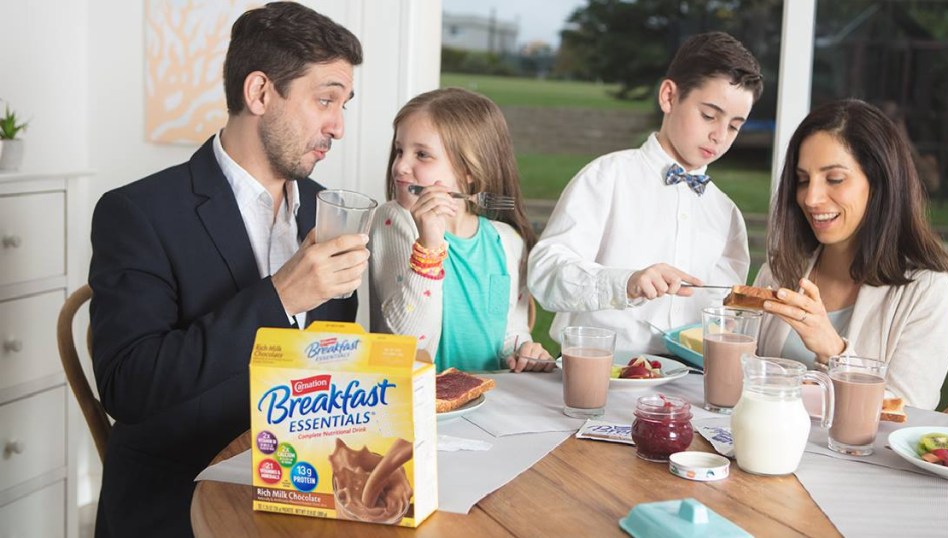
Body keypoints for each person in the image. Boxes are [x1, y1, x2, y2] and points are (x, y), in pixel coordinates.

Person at [88, 3, 367, 535]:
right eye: (326, 100)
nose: (338, 126)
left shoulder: (325, 207)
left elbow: (333, 360)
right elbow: (128, 384)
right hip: (181, 498)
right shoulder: (137, 212)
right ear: (260, 93)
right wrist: (280, 297)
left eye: (344, 104)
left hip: (308, 491)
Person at [528, 32, 763, 354]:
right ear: (669, 96)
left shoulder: (726, 214)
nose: (719, 135)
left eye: (735, 125)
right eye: (709, 115)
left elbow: (722, 310)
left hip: (690, 384)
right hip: (598, 373)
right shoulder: (606, 177)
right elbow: (545, 272)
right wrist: (627, 282)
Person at [755, 98, 948, 410]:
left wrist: (834, 352)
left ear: (878, 183)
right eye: (803, 180)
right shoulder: (781, 270)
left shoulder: (927, 289)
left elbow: (910, 411)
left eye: (834, 179)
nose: (811, 198)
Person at [369, 88, 552, 372]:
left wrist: (525, 351)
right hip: (417, 405)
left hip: (488, 402)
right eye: (399, 151)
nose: (401, 166)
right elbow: (408, 345)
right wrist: (428, 248)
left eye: (422, 155)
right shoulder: (395, 222)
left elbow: (508, 333)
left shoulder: (506, 242)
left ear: (469, 171)